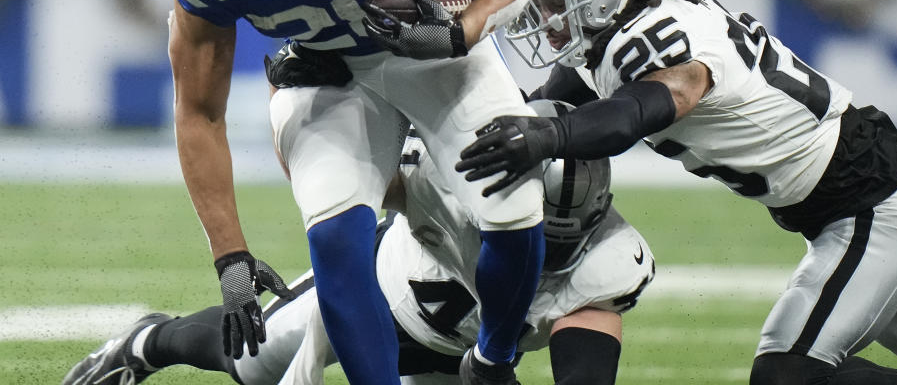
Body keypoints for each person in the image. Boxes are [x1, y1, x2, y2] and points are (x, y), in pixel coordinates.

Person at [457, 0, 897, 384]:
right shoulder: (628, 12)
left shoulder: (656, 37)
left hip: (870, 202)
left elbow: (632, 114)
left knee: (786, 376)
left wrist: (547, 137)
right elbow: (567, 94)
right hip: (860, 181)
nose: (540, 17)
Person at [149, 0, 546, 385]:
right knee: (336, 244)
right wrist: (229, 253)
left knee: (515, 205)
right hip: (322, 73)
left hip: (427, 50)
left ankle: (492, 364)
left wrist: (462, 30)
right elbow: (199, 111)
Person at [61, 103, 654, 385]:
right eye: (528, 227)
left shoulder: (606, 265)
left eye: (557, 240)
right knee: (249, 364)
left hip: (456, 361)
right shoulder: (443, 180)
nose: (539, 251)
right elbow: (330, 178)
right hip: (380, 289)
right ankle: (145, 344)